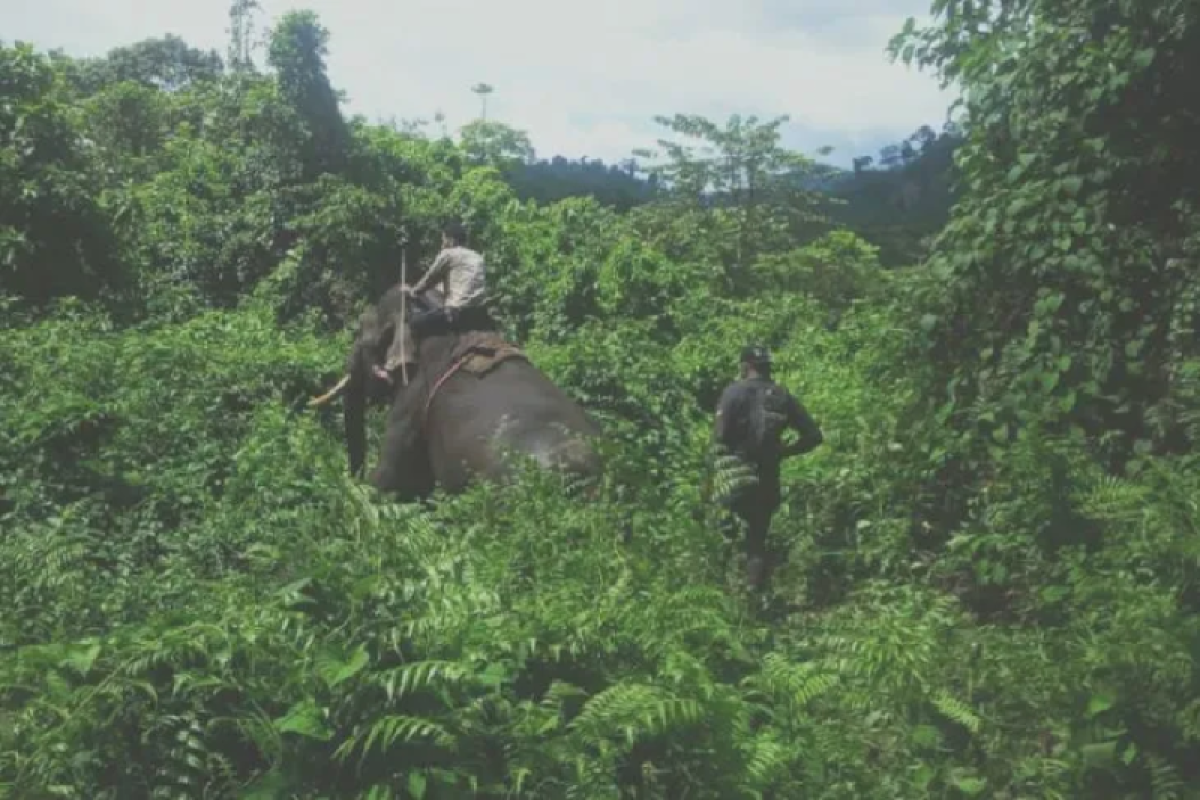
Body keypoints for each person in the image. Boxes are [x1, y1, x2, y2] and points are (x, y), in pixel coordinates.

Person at [712, 345, 823, 595]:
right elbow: (814, 436)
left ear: (745, 366)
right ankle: (753, 595)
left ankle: (720, 596)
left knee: (723, 534)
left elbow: (720, 436)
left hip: (735, 473)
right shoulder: (782, 396)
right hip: (767, 477)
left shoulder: (733, 393)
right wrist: (784, 452)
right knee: (756, 540)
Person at [403, 220, 492, 338]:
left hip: (456, 313)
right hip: (478, 313)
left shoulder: (448, 254)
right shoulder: (478, 257)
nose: (442, 244)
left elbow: (429, 280)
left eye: (443, 240)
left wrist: (412, 292)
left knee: (414, 324)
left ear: (451, 240)